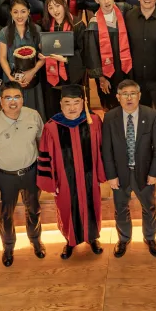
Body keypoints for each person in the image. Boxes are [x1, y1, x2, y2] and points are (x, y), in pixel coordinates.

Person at [35, 85, 104, 258]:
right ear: (60, 104)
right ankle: (69, 241)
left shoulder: (93, 121)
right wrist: (52, 182)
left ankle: (92, 238)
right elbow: (45, 156)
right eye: (67, 103)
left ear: (83, 103)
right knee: (67, 209)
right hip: (65, 181)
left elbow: (102, 150)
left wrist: (101, 174)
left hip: (90, 178)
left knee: (92, 206)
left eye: (76, 102)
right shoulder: (51, 127)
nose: (72, 108)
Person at [0, 81, 45, 265]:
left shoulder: (33, 116)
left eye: (17, 97)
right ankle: (8, 247)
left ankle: (35, 240)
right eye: (8, 98)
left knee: (34, 209)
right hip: (5, 177)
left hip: (31, 172)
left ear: (23, 99)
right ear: (1, 101)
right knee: (5, 215)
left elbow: (41, 142)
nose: (13, 102)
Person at [101, 79, 156, 257]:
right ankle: (123, 239)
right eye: (125, 94)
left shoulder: (152, 116)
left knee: (149, 207)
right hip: (120, 174)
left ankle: (150, 237)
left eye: (133, 94)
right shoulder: (110, 117)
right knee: (120, 208)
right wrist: (111, 175)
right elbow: (107, 149)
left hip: (144, 173)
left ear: (139, 96)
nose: (129, 98)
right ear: (118, 97)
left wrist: (154, 172)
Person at [86, 0, 132, 110]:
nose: (106, 1)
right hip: (108, 74)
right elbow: (92, 54)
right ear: (96, 0)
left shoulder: (125, 10)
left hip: (127, 68)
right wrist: (101, 78)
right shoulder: (93, 25)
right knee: (112, 104)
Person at [0, 0, 46, 116]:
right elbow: (2, 57)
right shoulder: (5, 32)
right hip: (11, 78)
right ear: (10, 13)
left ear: (29, 12)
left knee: (33, 111)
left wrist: (31, 72)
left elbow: (44, 56)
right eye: (15, 12)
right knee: (13, 111)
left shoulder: (37, 30)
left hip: (32, 77)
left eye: (23, 11)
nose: (19, 16)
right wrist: (11, 77)